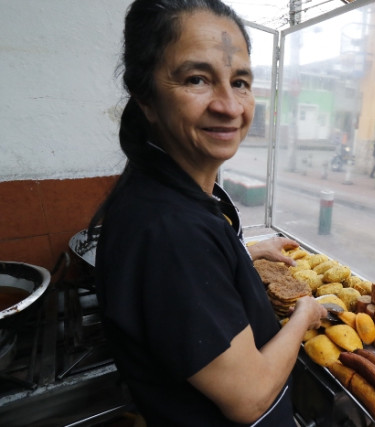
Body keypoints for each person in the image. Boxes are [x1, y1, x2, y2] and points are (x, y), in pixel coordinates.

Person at [90, 1, 327, 425]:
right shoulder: (169, 229)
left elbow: (185, 282)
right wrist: (306, 314)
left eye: (240, 82)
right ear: (145, 97)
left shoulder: (165, 193)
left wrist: (242, 255)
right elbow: (250, 396)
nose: (230, 107)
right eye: (197, 79)